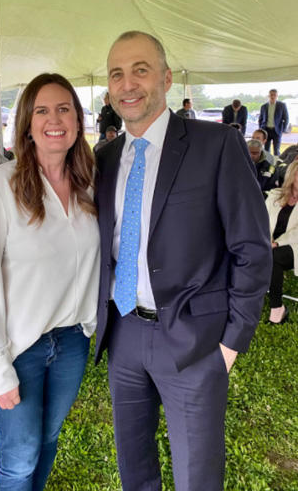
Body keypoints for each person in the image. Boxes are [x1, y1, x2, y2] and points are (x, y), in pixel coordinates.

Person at [94, 31, 271, 491]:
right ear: (109, 88)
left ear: (167, 78)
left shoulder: (216, 144)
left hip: (194, 341)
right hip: (124, 332)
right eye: (117, 74)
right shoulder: (105, 157)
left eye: (141, 70)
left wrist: (231, 344)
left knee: (197, 476)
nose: (128, 84)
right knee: (134, 469)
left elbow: (251, 248)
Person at [0, 73, 100, 491]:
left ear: (77, 120)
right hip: (18, 347)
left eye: (64, 109)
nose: (54, 119)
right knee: (20, 456)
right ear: (26, 123)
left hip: (72, 343)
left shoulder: (89, 186)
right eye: (42, 110)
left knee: (48, 441)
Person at [265, 161, 298, 324]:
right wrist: (266, 239)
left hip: (294, 246)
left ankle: (277, 309)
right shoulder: (275, 194)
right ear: (292, 175)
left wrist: (277, 243)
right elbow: (261, 219)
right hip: (268, 243)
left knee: (273, 256)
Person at [258, 89, 289, 156]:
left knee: (276, 150)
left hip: (277, 131)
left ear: (277, 96)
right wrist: (261, 129)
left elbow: (286, 118)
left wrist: (283, 130)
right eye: (271, 95)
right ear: (268, 96)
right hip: (266, 130)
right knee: (266, 150)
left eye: (274, 95)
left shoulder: (282, 105)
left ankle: (276, 165)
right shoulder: (263, 106)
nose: (272, 96)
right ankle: (267, 165)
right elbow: (260, 119)